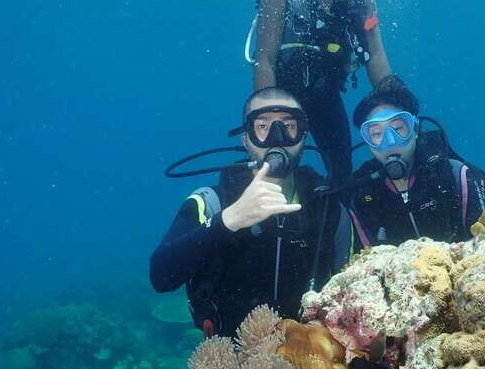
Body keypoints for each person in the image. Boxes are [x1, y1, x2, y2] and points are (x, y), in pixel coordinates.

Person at [149, 87, 352, 336]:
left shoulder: (329, 209)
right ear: (246, 139)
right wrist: (229, 220)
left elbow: (351, 289)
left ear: (303, 137)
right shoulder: (211, 201)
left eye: (288, 125)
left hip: (315, 358)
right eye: (263, 126)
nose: (277, 138)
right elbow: (160, 276)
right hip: (231, 360)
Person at [253, 0, 394, 185]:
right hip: (282, 97)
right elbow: (265, 60)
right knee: (274, 170)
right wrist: (267, 118)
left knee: (342, 175)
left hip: (326, 97)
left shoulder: (363, 1)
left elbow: (375, 54)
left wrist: (395, 100)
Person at [346, 80, 485, 247]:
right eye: (376, 134)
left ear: (415, 130)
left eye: (397, 129)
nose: (389, 142)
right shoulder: (362, 197)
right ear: (368, 142)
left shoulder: (456, 176)